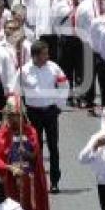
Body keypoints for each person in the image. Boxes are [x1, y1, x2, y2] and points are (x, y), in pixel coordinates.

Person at [0, 98, 49, 210]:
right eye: (11, 116)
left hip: (27, 181)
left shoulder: (30, 132)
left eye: (16, 116)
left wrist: (27, 154)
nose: (13, 119)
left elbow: (35, 155)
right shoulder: (1, 135)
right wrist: (10, 168)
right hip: (9, 181)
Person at [20, 40, 69, 194]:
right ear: (35, 56)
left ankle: (54, 181)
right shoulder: (24, 70)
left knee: (53, 147)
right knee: (36, 148)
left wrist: (59, 105)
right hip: (32, 113)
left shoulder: (54, 68)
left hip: (50, 112)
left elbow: (64, 86)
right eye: (44, 54)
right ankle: (38, 180)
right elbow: (15, 89)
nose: (47, 56)